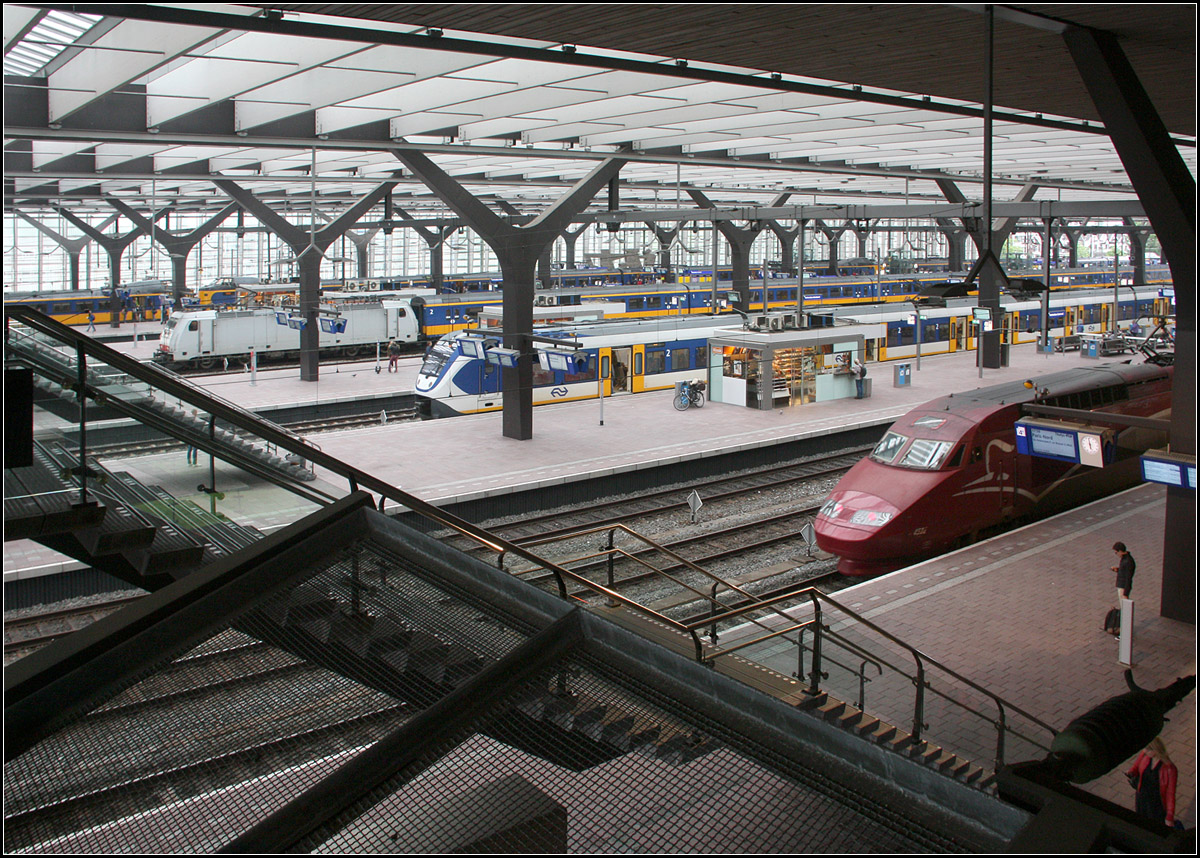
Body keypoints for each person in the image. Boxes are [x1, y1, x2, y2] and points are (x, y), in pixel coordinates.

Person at [1126, 737, 1177, 828]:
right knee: (1141, 822)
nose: (1144, 751)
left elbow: (1170, 793)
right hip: (1141, 797)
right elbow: (1136, 766)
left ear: (1154, 750)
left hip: (1156, 803)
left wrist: (1169, 815)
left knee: (1154, 826)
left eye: (1147, 750)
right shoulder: (1145, 755)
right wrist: (1131, 772)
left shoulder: (1169, 769)